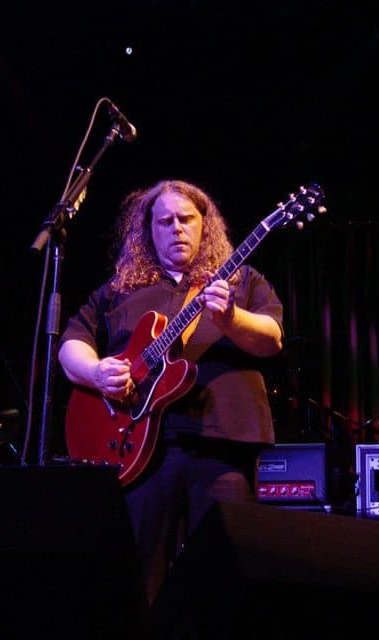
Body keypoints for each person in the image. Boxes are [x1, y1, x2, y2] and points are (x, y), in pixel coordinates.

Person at [57, 178, 284, 608]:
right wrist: (97, 371)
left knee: (222, 576)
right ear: (149, 231)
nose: (177, 228)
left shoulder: (241, 279)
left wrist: (232, 318)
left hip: (223, 443)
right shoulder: (121, 289)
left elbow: (272, 338)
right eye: (165, 221)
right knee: (141, 581)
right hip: (138, 450)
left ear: (204, 224)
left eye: (186, 219)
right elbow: (71, 343)